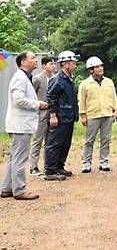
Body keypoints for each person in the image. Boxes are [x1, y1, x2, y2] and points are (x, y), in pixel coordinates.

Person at [1, 51, 49, 200]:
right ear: (23, 62)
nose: (36, 60)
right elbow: (19, 100)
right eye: (33, 58)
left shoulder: (25, 78)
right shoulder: (20, 78)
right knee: (19, 158)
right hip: (20, 125)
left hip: (20, 124)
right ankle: (20, 189)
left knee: (14, 157)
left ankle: (7, 188)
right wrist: (38, 104)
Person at [78, 56, 117, 173]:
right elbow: (82, 101)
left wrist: (115, 110)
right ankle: (86, 163)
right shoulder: (85, 84)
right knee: (89, 140)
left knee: (105, 139)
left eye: (101, 66)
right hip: (92, 115)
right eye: (97, 67)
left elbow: (114, 97)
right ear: (91, 70)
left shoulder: (109, 82)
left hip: (107, 114)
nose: (100, 68)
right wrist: (83, 116)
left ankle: (104, 162)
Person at [44, 50, 79, 181]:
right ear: (65, 64)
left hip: (68, 116)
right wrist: (53, 115)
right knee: (54, 143)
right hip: (59, 116)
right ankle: (50, 170)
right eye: (73, 63)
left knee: (65, 143)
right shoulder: (57, 79)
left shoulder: (69, 78)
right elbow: (51, 97)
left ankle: (59, 166)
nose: (75, 65)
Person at [28, 55, 56, 176]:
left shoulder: (55, 78)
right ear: (44, 65)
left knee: (50, 141)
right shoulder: (37, 79)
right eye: (50, 64)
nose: (53, 66)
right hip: (41, 113)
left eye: (54, 64)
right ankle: (33, 167)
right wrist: (37, 106)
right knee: (38, 140)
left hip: (53, 112)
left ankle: (48, 165)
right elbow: (30, 95)